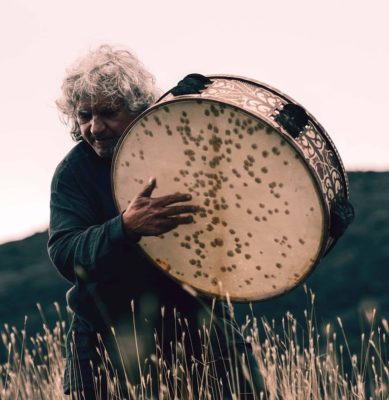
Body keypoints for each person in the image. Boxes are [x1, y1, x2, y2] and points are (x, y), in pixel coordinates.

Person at [49, 45, 258, 400]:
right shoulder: (75, 172)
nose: (94, 128)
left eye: (108, 113)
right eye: (84, 115)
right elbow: (66, 253)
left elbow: (245, 210)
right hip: (107, 348)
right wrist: (124, 228)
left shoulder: (182, 146)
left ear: (138, 110)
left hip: (202, 333)